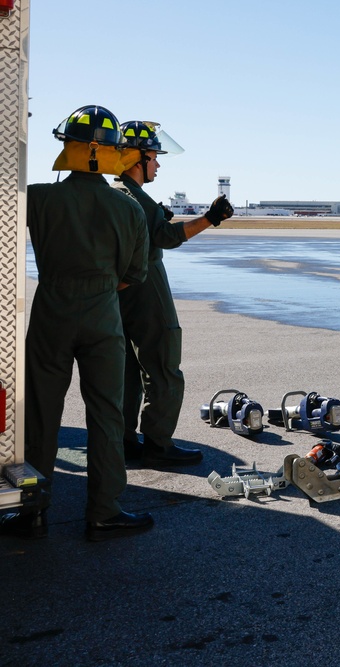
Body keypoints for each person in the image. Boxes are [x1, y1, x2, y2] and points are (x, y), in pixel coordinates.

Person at [0, 106, 151, 541]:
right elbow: (134, 276)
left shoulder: (39, 197)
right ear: (112, 153)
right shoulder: (128, 209)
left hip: (51, 313)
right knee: (105, 414)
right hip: (103, 316)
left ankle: (31, 509)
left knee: (42, 416)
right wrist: (99, 286)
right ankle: (104, 511)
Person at [116, 121, 233, 467]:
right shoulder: (134, 196)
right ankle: (158, 444)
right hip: (145, 290)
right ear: (137, 159)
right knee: (163, 366)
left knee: (125, 370)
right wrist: (211, 217)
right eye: (153, 156)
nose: (158, 164)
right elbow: (166, 237)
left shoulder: (116, 191)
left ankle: (123, 441)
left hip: (118, 295)